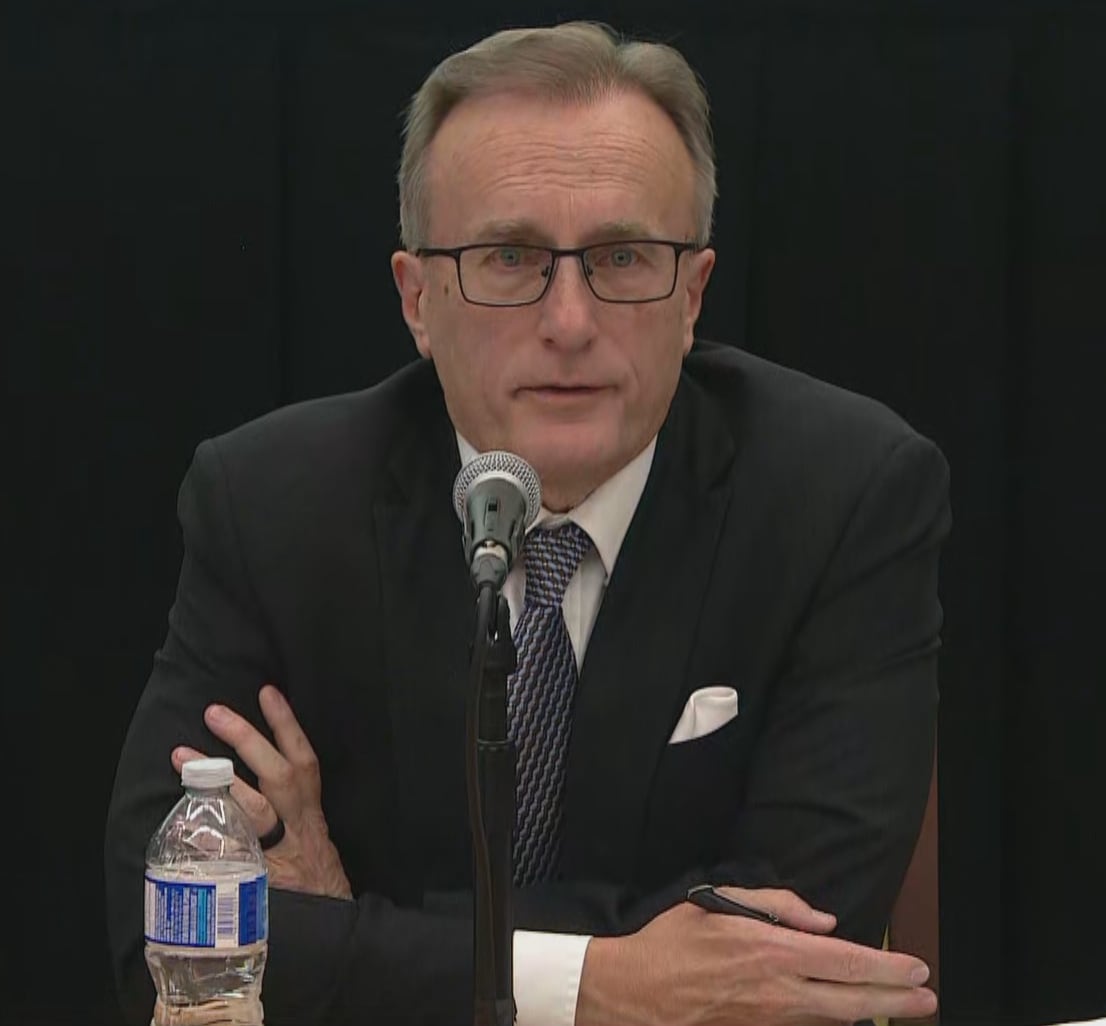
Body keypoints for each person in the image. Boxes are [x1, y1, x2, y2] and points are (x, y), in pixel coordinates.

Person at [106, 20, 949, 1026]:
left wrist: (348, 926)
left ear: (693, 293)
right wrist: (608, 983)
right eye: (508, 257)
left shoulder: (842, 495)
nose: (569, 320)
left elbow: (792, 958)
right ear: (417, 299)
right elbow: (158, 934)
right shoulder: (273, 504)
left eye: (624, 256)